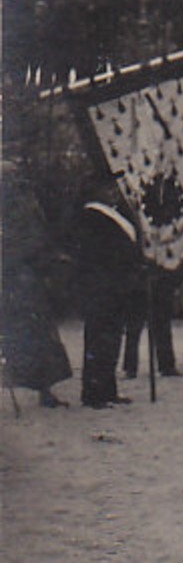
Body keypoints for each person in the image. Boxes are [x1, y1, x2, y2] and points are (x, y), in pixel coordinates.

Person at [1, 161, 72, 408]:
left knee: (40, 338)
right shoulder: (14, 210)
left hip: (29, 279)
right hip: (15, 280)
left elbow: (38, 238)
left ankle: (44, 389)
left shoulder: (27, 206)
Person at [74, 176, 141, 409]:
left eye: (114, 188)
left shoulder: (114, 214)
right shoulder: (91, 216)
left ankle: (107, 389)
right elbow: (98, 254)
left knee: (111, 338)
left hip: (116, 286)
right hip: (101, 286)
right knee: (99, 339)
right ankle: (94, 393)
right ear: (96, 190)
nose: (113, 192)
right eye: (108, 187)